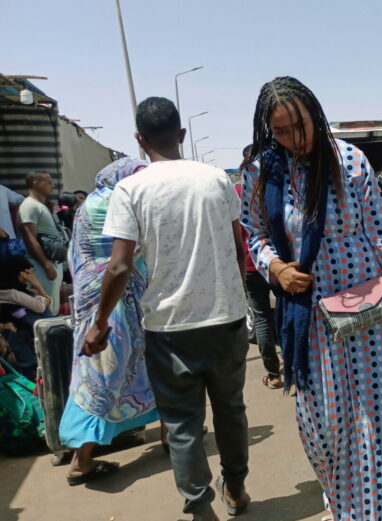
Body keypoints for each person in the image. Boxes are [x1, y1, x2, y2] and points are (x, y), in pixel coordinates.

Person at [241, 76, 382, 521]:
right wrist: (275, 267)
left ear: (315, 112)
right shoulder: (262, 171)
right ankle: (342, 498)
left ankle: (365, 512)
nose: (294, 139)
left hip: (367, 312)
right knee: (323, 427)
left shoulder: (350, 161)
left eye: (300, 126)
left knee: (370, 422)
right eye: (282, 131)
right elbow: (253, 233)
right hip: (307, 318)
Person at [82, 97, 250, 521]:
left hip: (168, 327)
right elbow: (236, 246)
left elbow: (119, 264)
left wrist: (99, 323)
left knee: (181, 422)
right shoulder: (215, 179)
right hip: (225, 318)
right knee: (230, 409)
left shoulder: (131, 189)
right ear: (182, 135)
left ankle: (199, 507)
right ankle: (236, 488)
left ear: (140, 140)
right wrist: (235, 294)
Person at [58, 158, 164, 486]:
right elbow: (125, 260)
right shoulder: (119, 201)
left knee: (108, 377)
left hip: (98, 302)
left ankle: (168, 434)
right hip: (115, 305)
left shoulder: (90, 202)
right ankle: (81, 462)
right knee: (109, 377)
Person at [237, 145, 282, 389]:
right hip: (278, 264)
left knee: (262, 317)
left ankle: (274, 375)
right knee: (285, 312)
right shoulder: (276, 187)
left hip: (250, 265)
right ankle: (294, 365)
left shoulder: (236, 192)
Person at [17, 171, 65, 314]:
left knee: (52, 308)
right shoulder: (29, 206)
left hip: (50, 264)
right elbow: (30, 238)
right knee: (45, 310)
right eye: (48, 182)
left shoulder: (40, 206)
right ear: (35, 183)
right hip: (41, 267)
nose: (53, 185)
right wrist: (47, 265)